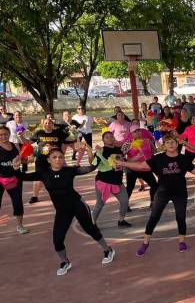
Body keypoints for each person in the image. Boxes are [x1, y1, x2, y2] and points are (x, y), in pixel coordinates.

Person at [13, 144, 115, 276]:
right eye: (54, 157)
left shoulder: (69, 171)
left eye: (60, 157)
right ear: (49, 160)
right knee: (57, 239)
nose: (58, 159)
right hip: (62, 211)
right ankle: (64, 261)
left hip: (77, 205)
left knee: (90, 229)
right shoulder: (43, 174)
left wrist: (93, 152)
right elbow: (22, 177)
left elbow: (91, 168)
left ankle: (108, 250)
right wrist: (16, 168)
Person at [119, 136, 195, 256]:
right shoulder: (158, 158)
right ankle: (145, 243)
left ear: (177, 144)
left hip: (180, 193)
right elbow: (141, 165)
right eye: (167, 142)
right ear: (164, 145)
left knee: (180, 217)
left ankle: (182, 241)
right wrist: (122, 162)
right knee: (154, 217)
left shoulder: (183, 159)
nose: (170, 144)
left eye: (173, 142)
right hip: (162, 192)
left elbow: (194, 170)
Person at [29, 118, 75, 204]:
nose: (48, 124)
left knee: (58, 177)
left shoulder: (58, 133)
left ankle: (62, 193)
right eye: (46, 123)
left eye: (49, 123)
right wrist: (34, 152)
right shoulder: (39, 133)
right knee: (38, 178)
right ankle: (34, 196)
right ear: (43, 124)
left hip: (55, 159)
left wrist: (73, 131)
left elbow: (71, 139)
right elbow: (29, 143)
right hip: (41, 159)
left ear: (52, 124)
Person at [90, 132, 130, 227]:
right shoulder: (101, 150)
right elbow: (93, 164)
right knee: (99, 204)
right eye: (107, 137)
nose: (110, 138)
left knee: (125, 202)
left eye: (112, 136)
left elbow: (122, 164)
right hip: (103, 182)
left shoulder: (119, 151)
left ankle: (121, 221)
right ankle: (92, 224)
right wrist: (92, 153)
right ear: (103, 140)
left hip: (117, 182)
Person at [0, 126, 28, 234]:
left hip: (15, 178)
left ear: (9, 134)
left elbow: (23, 160)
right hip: (1, 179)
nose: (3, 136)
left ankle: (20, 226)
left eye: (5, 134)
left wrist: (24, 160)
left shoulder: (14, 145)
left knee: (17, 202)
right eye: (1, 134)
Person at [125, 125, 158, 207]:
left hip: (145, 168)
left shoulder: (147, 141)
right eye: (135, 131)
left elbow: (154, 151)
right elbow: (122, 157)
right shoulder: (128, 143)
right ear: (131, 134)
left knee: (154, 185)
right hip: (132, 169)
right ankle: (125, 204)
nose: (137, 132)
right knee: (129, 187)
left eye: (138, 130)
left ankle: (153, 202)